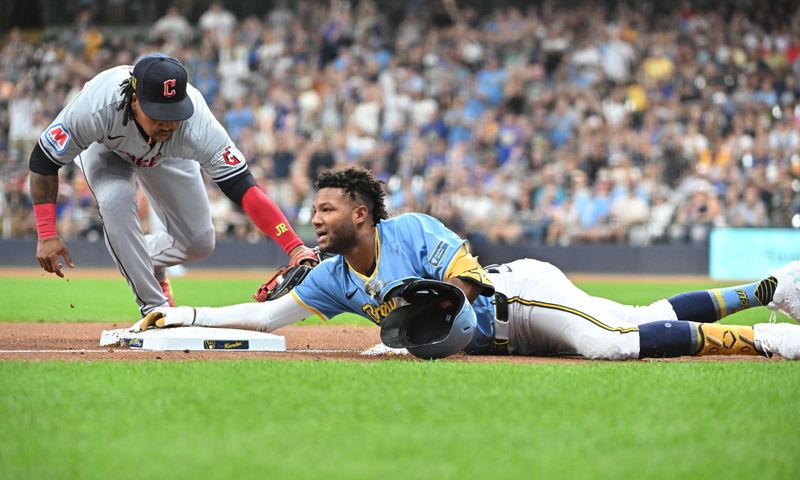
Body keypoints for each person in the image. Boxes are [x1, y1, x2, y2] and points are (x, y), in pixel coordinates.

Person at [133, 167, 800, 361]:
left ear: (361, 213)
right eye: (315, 210)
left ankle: (766, 337)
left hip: (522, 298)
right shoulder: (334, 277)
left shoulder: (413, 229)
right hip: (500, 342)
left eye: (328, 209)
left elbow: (468, 273)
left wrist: (441, 298)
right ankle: (774, 287)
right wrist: (181, 313)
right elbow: (266, 317)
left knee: (613, 344)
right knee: (642, 315)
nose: (315, 220)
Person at [30, 53, 318, 317]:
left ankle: (140, 257)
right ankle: (156, 309)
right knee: (115, 199)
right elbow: (43, 161)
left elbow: (244, 186)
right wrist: (46, 233)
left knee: (199, 242)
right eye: (158, 113)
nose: (168, 122)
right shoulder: (96, 106)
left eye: (174, 112)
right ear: (134, 99)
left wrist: (294, 247)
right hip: (106, 149)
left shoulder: (195, 124)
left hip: (167, 155)